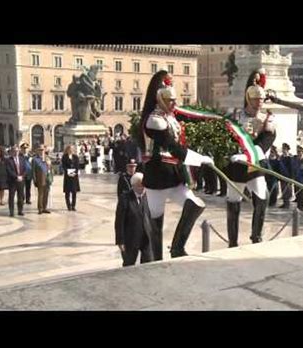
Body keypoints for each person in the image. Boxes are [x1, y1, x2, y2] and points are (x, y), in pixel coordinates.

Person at [139, 70, 213, 260]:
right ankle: (155, 258)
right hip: (157, 174)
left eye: (174, 99)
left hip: (174, 175)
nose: (174, 103)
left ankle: (177, 247)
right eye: (170, 100)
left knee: (195, 204)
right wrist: (199, 158)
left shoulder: (170, 118)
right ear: (160, 99)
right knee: (156, 222)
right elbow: (171, 147)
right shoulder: (154, 120)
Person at [224, 68, 276, 247]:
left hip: (254, 165)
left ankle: (256, 236)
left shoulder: (266, 119)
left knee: (262, 196)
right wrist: (233, 154)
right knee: (233, 201)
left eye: (261, 99)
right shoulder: (235, 116)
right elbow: (227, 137)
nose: (259, 103)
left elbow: (268, 139)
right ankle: (232, 241)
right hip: (237, 167)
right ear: (249, 99)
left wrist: (253, 152)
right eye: (256, 99)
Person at [115, 172, 153, 266]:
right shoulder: (125, 198)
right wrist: (120, 241)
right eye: (140, 186)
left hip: (146, 238)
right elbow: (119, 221)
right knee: (129, 264)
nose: (143, 188)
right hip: (130, 238)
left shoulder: (148, 196)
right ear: (133, 186)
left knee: (148, 264)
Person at [6, 145, 26, 217]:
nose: (16, 152)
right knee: (11, 197)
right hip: (12, 181)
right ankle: (11, 211)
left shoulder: (22, 159)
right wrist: (16, 176)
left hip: (21, 181)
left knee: (21, 196)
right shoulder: (8, 160)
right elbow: (9, 170)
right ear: (12, 152)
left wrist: (22, 176)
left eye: (17, 151)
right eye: (14, 151)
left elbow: (25, 169)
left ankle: (20, 210)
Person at [32, 145, 51, 214]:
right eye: (40, 150)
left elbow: (50, 169)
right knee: (41, 194)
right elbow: (33, 171)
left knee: (46, 193)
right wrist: (34, 180)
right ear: (37, 151)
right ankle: (40, 208)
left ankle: (45, 207)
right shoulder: (35, 159)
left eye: (42, 150)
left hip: (47, 178)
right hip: (40, 178)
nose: (41, 151)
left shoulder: (47, 158)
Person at [62, 145, 80, 211]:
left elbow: (77, 166)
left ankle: (73, 205)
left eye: (72, 149)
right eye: (69, 149)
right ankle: (68, 206)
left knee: (74, 192)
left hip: (74, 176)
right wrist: (69, 171)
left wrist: (74, 172)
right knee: (67, 192)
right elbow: (64, 166)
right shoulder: (64, 157)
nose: (70, 150)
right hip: (67, 177)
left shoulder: (75, 157)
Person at [292, 146, 303, 211]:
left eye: (300, 152)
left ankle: (301, 206)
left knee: (302, 194)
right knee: (297, 193)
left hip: (302, 180)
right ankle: (298, 205)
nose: (299, 153)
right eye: (298, 152)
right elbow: (293, 170)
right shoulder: (295, 160)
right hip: (296, 179)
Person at [278, 143, 293, 209]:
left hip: (288, 176)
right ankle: (284, 203)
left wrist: (291, 177)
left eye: (285, 149)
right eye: (283, 149)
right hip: (282, 176)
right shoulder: (281, 157)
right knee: (283, 189)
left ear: (287, 150)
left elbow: (292, 168)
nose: (283, 150)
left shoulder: (290, 158)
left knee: (288, 190)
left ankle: (287, 204)